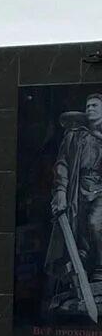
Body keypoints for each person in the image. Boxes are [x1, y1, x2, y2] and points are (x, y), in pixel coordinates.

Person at [48, 93, 102, 319]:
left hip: (100, 188)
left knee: (95, 225)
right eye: (87, 105)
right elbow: (62, 165)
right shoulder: (75, 136)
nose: (90, 108)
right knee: (80, 234)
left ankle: (99, 275)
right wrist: (60, 191)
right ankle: (81, 279)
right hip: (78, 189)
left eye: (95, 106)